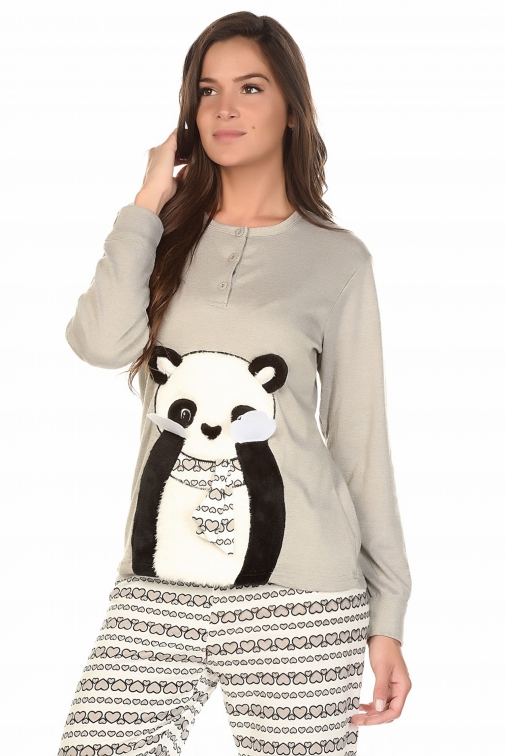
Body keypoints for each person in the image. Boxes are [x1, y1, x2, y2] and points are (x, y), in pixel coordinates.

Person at [57, 11, 412, 756]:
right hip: (158, 587)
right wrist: (147, 199)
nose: (224, 107)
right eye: (207, 90)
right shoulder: (158, 239)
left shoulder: (338, 260)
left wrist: (388, 615)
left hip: (302, 596)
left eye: (250, 88)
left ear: (291, 109)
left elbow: (359, 442)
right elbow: (99, 344)